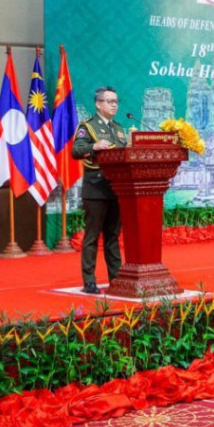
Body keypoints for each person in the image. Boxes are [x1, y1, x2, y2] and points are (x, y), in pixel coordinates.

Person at [71, 86, 128, 294]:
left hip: (116, 188)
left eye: (116, 102)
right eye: (109, 101)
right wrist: (94, 147)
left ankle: (116, 279)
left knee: (112, 236)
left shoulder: (119, 129)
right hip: (96, 188)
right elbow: (76, 150)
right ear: (98, 104)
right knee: (92, 237)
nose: (114, 105)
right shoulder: (88, 126)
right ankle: (89, 281)